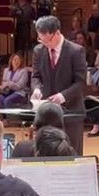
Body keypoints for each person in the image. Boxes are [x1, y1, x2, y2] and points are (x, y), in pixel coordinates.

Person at [30, 16, 89, 154]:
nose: (43, 43)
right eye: (40, 39)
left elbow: (80, 82)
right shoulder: (39, 51)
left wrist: (62, 96)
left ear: (56, 33)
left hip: (71, 112)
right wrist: (37, 89)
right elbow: (36, 76)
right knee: (45, 154)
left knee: (73, 154)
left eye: (46, 39)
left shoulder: (76, 51)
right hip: (47, 114)